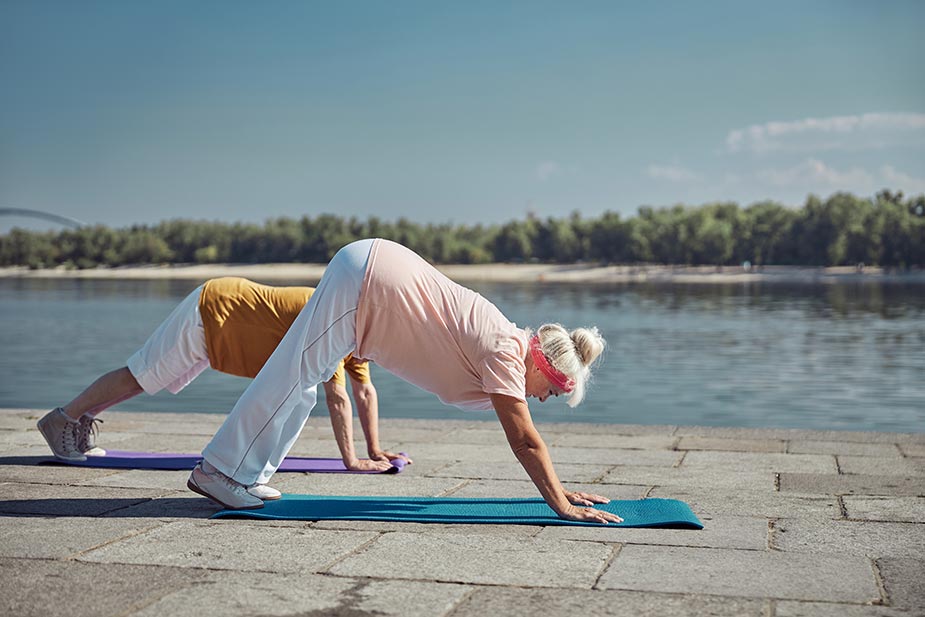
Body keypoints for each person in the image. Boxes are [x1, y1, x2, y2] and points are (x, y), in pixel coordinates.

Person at [185, 239, 623, 524]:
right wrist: (561, 504)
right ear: (542, 366)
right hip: (367, 284)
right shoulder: (506, 353)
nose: (543, 400)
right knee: (296, 373)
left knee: (304, 374)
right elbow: (526, 441)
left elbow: (528, 437)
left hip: (370, 281)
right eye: (553, 391)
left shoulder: (508, 348)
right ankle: (219, 471)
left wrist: (558, 487)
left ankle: (243, 473)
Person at [37, 277, 409, 500]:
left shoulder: (361, 335)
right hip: (214, 310)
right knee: (142, 375)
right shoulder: (332, 317)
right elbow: (337, 396)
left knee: (151, 380)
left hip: (222, 327)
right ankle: (63, 419)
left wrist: (375, 450)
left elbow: (363, 391)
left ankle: (79, 419)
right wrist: (352, 461)